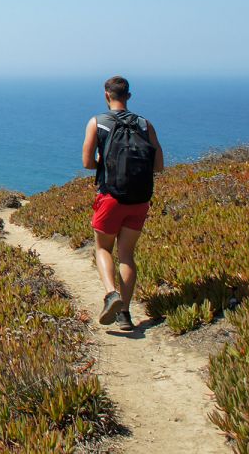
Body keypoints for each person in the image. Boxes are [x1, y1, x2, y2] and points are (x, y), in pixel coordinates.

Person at [81, 75, 163, 331]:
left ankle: (110, 294)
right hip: (139, 200)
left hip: (110, 197)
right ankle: (125, 314)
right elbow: (158, 166)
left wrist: (101, 161)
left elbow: (87, 163)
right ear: (128, 96)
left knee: (103, 248)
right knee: (127, 254)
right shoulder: (145, 124)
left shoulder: (98, 122)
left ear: (107, 95)